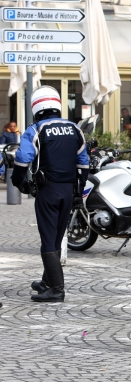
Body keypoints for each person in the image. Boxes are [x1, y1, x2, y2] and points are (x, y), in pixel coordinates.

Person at [11, 86, 89, 303]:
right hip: (69, 190)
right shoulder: (74, 129)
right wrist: (78, 191)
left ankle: (56, 289)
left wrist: (18, 183)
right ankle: (47, 281)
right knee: (56, 236)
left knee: (47, 239)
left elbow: (22, 159)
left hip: (48, 190)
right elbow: (83, 163)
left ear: (37, 106)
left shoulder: (36, 129)